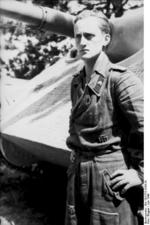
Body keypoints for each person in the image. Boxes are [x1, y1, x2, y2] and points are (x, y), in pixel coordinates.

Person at [65, 10, 143, 225]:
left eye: (89, 36)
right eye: (78, 36)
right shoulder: (76, 81)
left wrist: (140, 173)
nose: (82, 42)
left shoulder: (121, 80)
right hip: (78, 170)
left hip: (109, 176)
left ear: (106, 39)